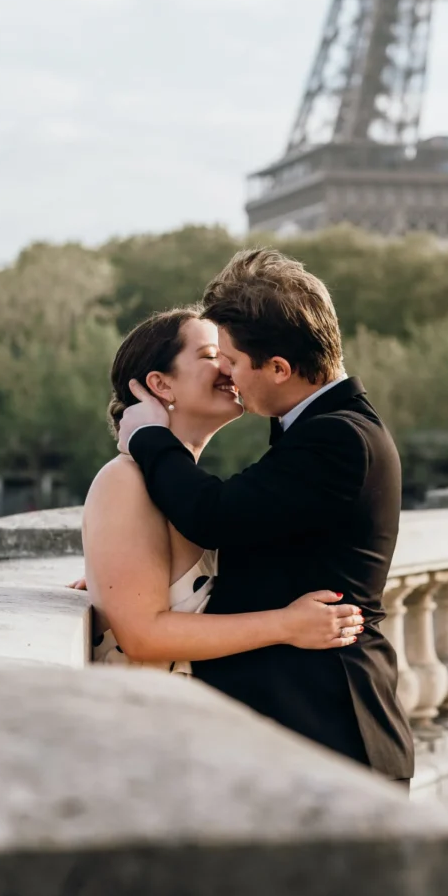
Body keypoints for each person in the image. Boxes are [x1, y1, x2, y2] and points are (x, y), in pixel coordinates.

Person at [117, 249, 415, 784]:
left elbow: (213, 516)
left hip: (329, 734)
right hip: (306, 732)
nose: (226, 374)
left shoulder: (337, 438)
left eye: (231, 360)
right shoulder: (324, 428)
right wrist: (129, 574)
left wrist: (149, 437)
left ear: (278, 368)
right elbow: (257, 537)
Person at [76, 306, 365, 674]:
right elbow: (141, 636)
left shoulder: (188, 492)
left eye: (229, 356)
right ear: (161, 384)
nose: (230, 368)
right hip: (147, 705)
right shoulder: (125, 482)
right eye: (212, 355)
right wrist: (287, 625)